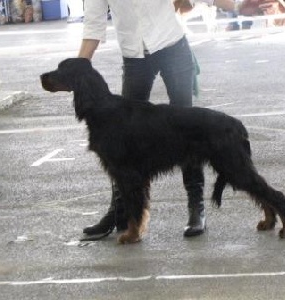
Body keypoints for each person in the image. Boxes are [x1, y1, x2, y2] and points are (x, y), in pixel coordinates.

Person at [79, 0, 206, 240]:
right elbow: (93, 25)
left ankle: (195, 207)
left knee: (188, 130)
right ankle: (120, 212)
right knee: (121, 143)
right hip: (135, 56)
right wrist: (79, 67)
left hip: (173, 47)